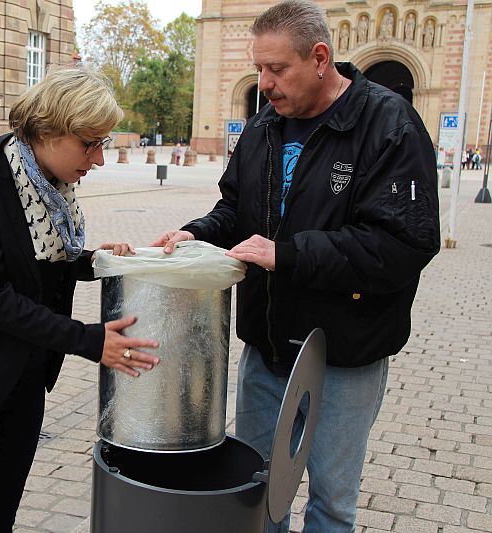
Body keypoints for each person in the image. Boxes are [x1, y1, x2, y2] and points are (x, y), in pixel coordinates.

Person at [151, 1, 440, 531]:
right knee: (256, 494)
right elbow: (234, 210)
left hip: (345, 356)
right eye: (258, 68)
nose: (264, 82)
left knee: (330, 505)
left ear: (320, 58)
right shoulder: (265, 125)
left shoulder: (388, 123)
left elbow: (405, 243)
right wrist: (198, 232)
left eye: (277, 69)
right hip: (266, 352)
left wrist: (289, 255)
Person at [0, 66, 160, 532]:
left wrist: (95, 260)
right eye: (90, 143)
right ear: (47, 130)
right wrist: (90, 340)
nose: (98, 160)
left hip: (21, 383)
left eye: (104, 143)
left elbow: (45, 261)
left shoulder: (54, 190)